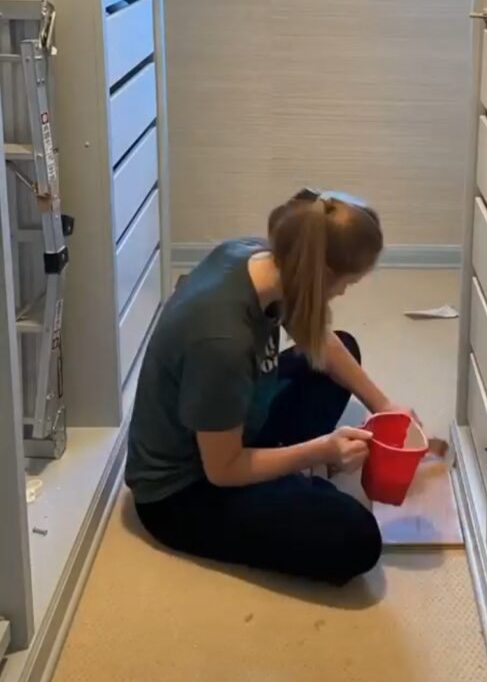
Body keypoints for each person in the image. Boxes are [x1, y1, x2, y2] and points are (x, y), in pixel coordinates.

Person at [125, 188, 410, 585]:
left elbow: (316, 338)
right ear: (321, 276)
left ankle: (283, 474)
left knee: (342, 349)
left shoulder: (256, 256)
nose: (344, 292)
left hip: (232, 419)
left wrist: (385, 407)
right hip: (184, 489)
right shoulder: (222, 342)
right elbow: (223, 470)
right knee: (357, 538)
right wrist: (321, 449)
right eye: (345, 283)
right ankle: (287, 479)